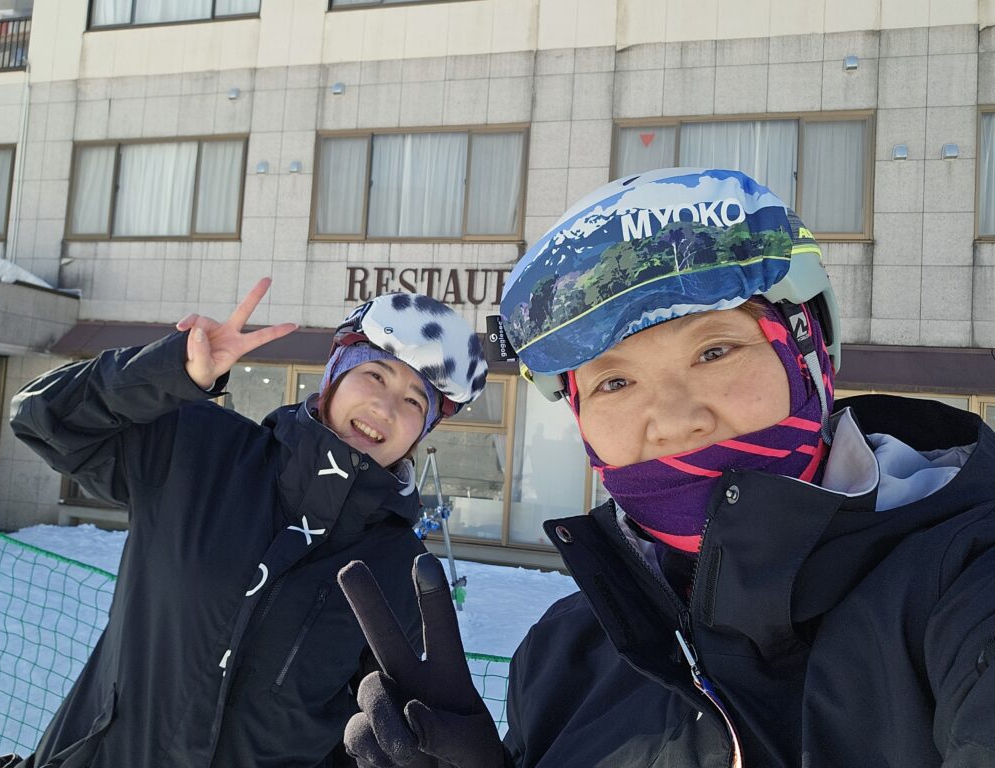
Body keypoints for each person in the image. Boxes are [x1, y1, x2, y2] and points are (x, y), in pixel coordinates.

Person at [337, 168, 995, 767]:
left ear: (808, 357)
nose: (675, 420)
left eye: (714, 351)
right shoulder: (562, 655)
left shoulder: (964, 584)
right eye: (615, 383)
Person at [1, 280, 488, 768]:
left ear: (422, 431)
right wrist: (169, 370)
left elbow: (366, 737)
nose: (386, 408)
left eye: (414, 402)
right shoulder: (201, 450)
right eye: (376, 375)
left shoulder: (400, 570)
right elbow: (42, 417)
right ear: (335, 376)